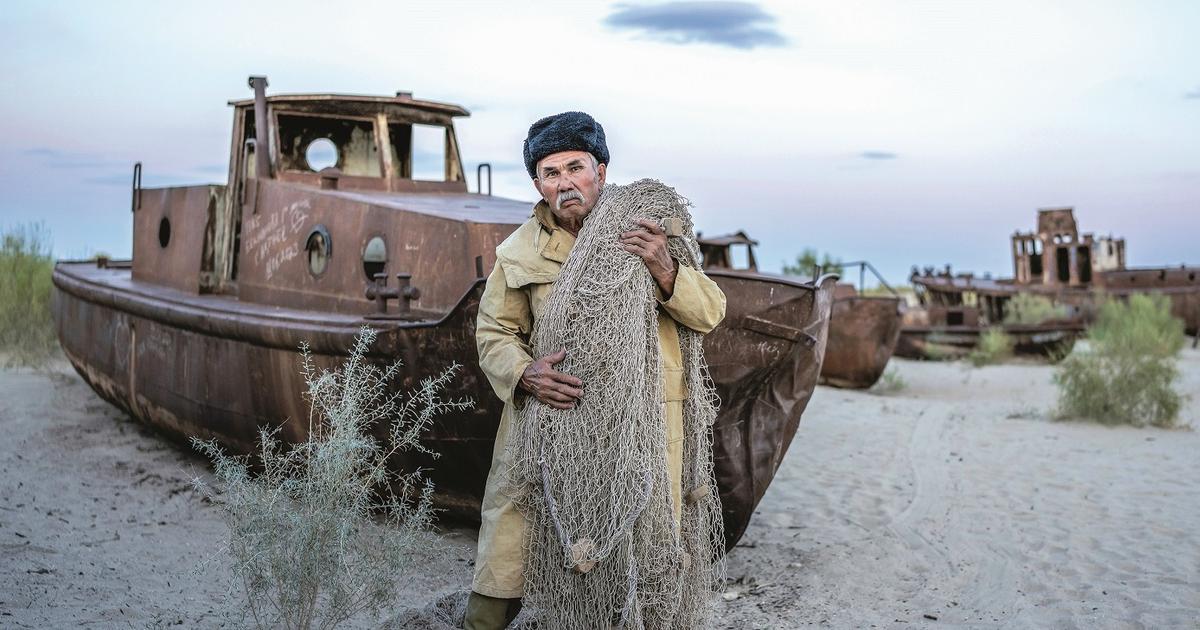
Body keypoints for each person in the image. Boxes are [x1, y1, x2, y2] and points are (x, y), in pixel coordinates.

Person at [463, 111, 726, 629]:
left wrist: (664, 267)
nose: (565, 184)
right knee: (504, 566)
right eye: (551, 173)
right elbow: (494, 334)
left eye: (575, 168)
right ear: (537, 183)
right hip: (549, 426)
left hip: (639, 433)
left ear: (600, 171)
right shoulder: (519, 252)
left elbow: (710, 312)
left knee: (637, 562)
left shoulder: (647, 232)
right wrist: (526, 373)